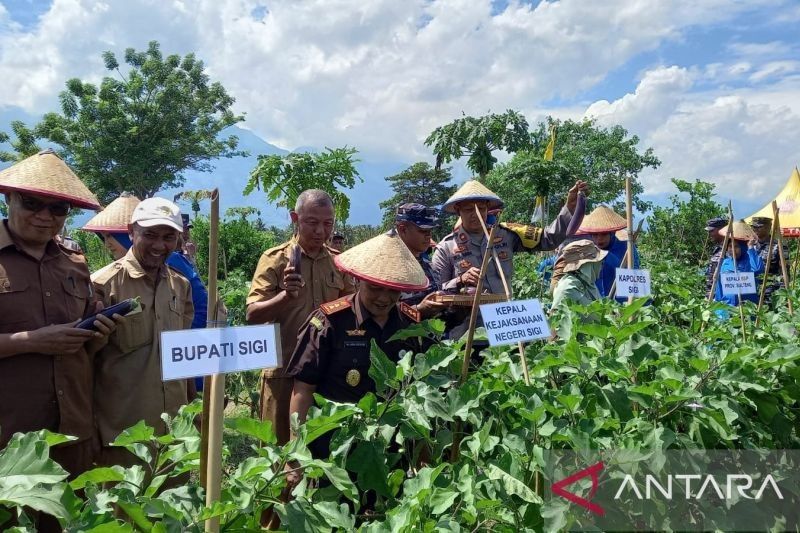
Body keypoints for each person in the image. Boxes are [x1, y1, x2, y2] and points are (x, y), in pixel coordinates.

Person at [0, 150, 117, 478]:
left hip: (71, 431)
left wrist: (98, 333)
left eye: (58, 208)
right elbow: (40, 342)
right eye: (32, 203)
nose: (44, 216)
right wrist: (32, 341)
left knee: (68, 522)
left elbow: (85, 348)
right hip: (10, 438)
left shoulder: (75, 264)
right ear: (9, 199)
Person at [285, 232, 431, 463]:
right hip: (336, 448)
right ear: (357, 281)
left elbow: (422, 390)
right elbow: (303, 390)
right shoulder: (328, 322)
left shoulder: (411, 324)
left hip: (393, 452)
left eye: (392, 289)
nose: (384, 298)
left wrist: (424, 453)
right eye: (374, 288)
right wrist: (295, 454)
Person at [246, 189, 355, 445]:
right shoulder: (275, 260)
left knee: (321, 451)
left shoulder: (339, 263)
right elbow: (252, 313)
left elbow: (351, 309)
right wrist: (286, 296)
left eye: (327, 224)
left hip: (326, 372)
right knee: (279, 452)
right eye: (312, 222)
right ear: (295, 218)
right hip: (283, 371)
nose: (320, 231)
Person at [92, 197, 195, 467]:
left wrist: (193, 410)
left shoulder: (180, 286)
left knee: (174, 506)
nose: (159, 245)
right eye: (149, 235)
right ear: (131, 231)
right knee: (125, 507)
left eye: (168, 237)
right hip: (124, 436)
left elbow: (182, 355)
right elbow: (81, 359)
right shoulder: (103, 285)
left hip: (174, 433)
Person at [432, 179, 587, 296]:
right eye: (468, 210)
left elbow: (548, 239)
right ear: (458, 211)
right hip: (467, 330)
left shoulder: (506, 234)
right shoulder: (446, 248)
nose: (475, 214)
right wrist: (459, 280)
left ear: (488, 208)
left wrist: (570, 207)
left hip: (503, 322)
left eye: (480, 208)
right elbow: (435, 293)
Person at [393, 202, 448, 318]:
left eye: (430, 231)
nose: (428, 236)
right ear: (403, 230)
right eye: (423, 231)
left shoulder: (430, 267)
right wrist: (417, 311)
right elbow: (381, 312)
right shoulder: (385, 269)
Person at [577, 206, 637, 299]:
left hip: (622, 301)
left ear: (612, 233)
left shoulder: (627, 247)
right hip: (596, 302)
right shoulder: (587, 250)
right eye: (595, 235)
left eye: (604, 234)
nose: (599, 239)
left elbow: (634, 274)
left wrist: (606, 255)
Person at [82, 192, 141, 274]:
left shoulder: (162, 268)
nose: (107, 245)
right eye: (104, 238)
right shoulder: (109, 279)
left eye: (109, 236)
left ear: (129, 235)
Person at [713, 221, 764, 313]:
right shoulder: (725, 263)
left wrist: (751, 248)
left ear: (743, 247)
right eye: (729, 247)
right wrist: (718, 309)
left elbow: (757, 269)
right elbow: (720, 287)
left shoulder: (750, 260)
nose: (732, 250)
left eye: (736, 247)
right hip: (728, 309)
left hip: (747, 310)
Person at [550, 240, 608, 311]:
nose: (601, 263)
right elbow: (556, 318)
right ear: (586, 264)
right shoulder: (566, 289)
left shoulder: (589, 283)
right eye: (598, 260)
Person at [749, 216, 787, 304]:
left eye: (759, 227)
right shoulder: (750, 245)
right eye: (753, 227)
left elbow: (784, 272)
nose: (755, 229)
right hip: (752, 290)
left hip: (771, 292)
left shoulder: (778, 246)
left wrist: (782, 295)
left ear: (768, 227)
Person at [704, 217, 728, 296]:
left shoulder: (731, 249)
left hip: (723, 296)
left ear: (722, 230)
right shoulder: (717, 248)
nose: (709, 234)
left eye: (711, 231)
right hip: (711, 294)